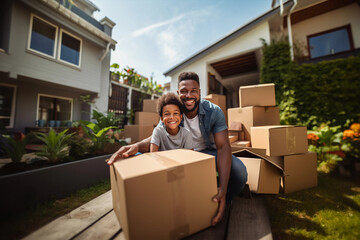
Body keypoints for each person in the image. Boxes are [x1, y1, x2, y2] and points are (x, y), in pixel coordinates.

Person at [108, 72, 247, 226]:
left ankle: (217, 202)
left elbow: (223, 148)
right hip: (182, 154)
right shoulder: (173, 110)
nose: (189, 95)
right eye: (184, 91)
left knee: (239, 173)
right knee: (140, 158)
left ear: (200, 92)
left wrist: (223, 187)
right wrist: (136, 146)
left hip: (208, 152)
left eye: (193, 90)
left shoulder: (213, 111)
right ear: (178, 93)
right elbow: (157, 137)